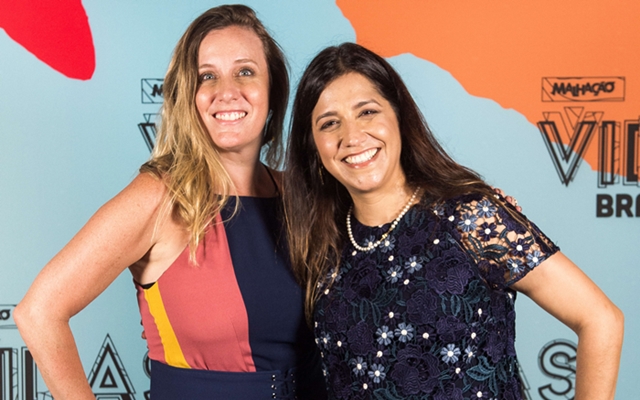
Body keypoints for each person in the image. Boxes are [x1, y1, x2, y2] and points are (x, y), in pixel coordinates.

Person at [14, 5, 326, 399]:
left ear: (274, 91)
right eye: (207, 76)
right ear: (188, 96)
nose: (226, 91)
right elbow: (38, 312)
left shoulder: (300, 198)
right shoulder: (161, 195)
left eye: (245, 72)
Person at [284, 42, 624, 399]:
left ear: (399, 116)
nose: (352, 137)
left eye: (367, 112)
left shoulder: (471, 217)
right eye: (329, 123)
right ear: (313, 146)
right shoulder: (322, 248)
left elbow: (601, 319)